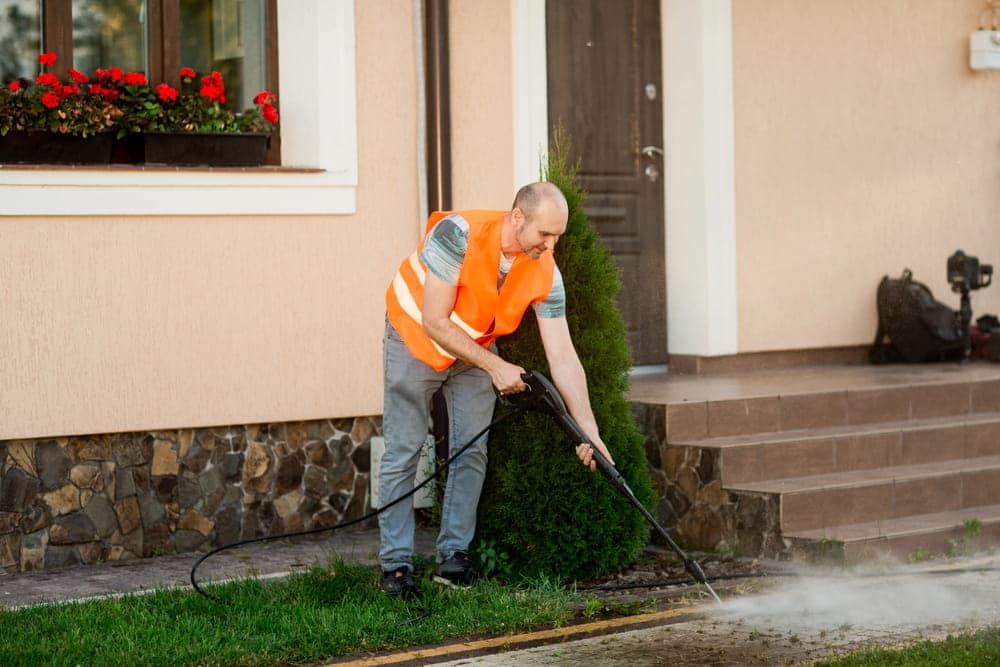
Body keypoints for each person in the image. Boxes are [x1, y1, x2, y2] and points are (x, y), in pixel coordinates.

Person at [379, 181, 615, 598]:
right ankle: (396, 566)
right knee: (404, 449)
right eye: (545, 234)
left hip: (473, 352)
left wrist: (590, 434)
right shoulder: (457, 234)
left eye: (557, 235)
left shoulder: (545, 268)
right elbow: (434, 320)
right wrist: (495, 365)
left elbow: (564, 356)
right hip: (414, 339)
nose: (550, 244)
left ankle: (452, 559)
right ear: (518, 217)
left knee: (472, 449)